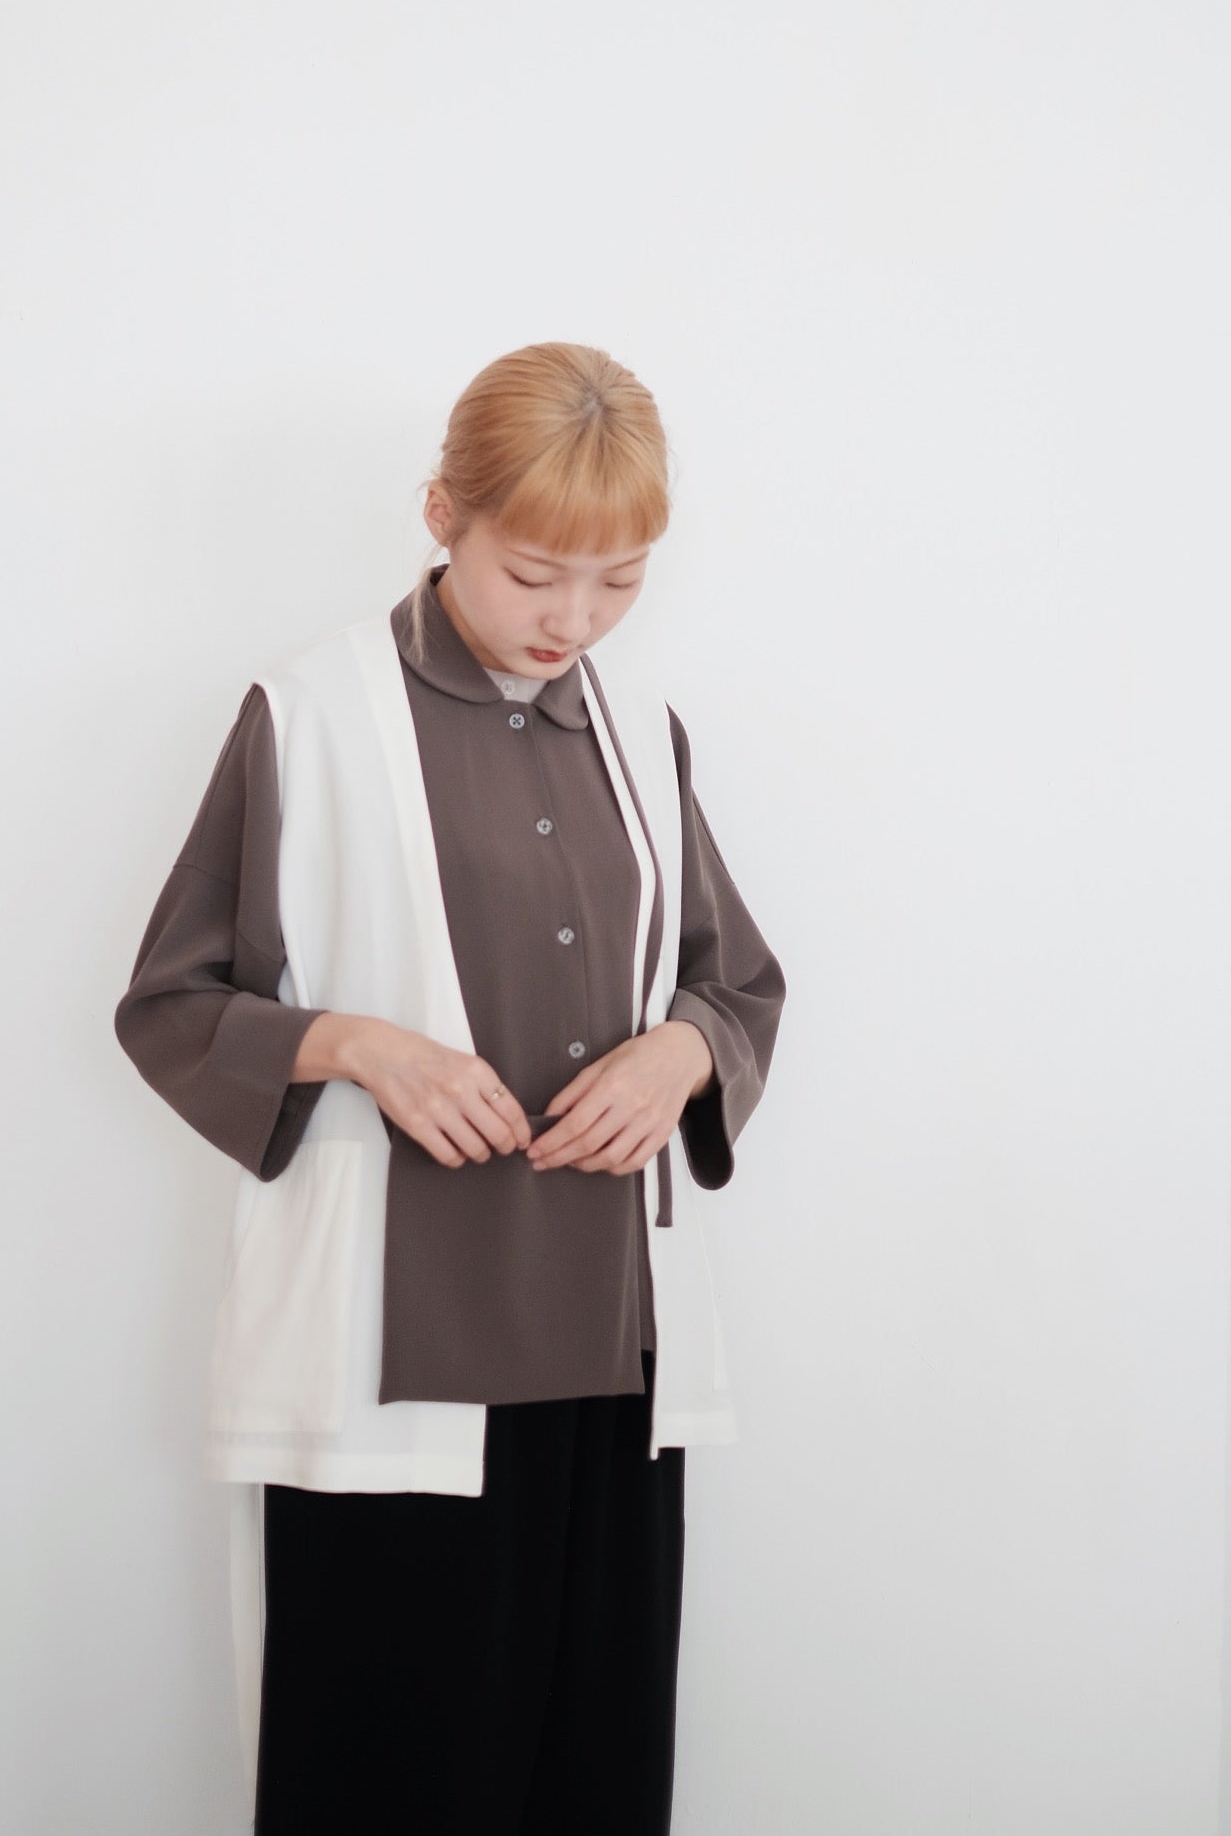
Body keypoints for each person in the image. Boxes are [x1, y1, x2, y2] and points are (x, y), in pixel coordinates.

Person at [114, 341, 786, 1836]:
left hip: (613, 1349)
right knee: (391, 1780)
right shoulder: (309, 714)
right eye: (536, 573)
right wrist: (358, 1045)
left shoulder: (641, 731)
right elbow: (171, 1002)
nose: (573, 621)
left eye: (619, 582)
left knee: (596, 1783)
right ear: (442, 514)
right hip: (400, 1351)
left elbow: (734, 984)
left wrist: (681, 1051)